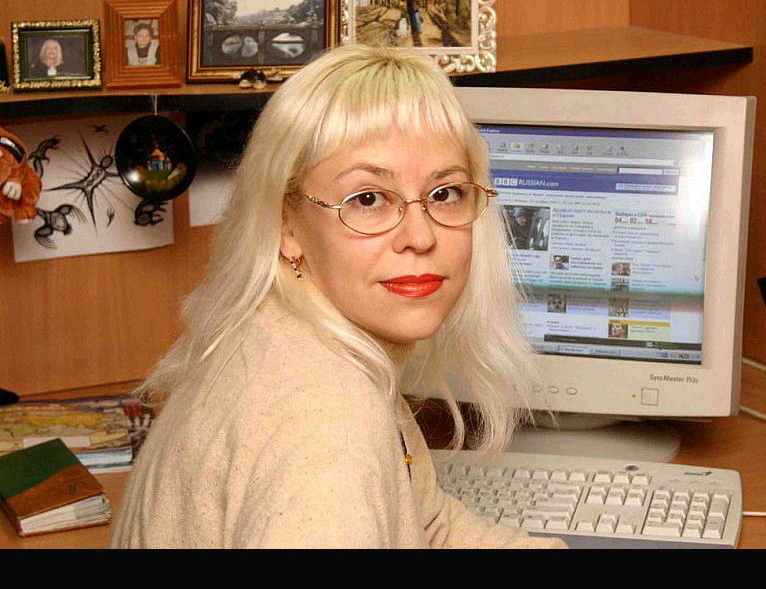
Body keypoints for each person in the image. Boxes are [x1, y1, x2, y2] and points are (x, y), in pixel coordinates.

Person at [110, 44, 565, 549]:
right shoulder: (328, 427)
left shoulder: (286, 339)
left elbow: (428, 523)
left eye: (445, 193)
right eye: (368, 199)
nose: (421, 236)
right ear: (286, 224)